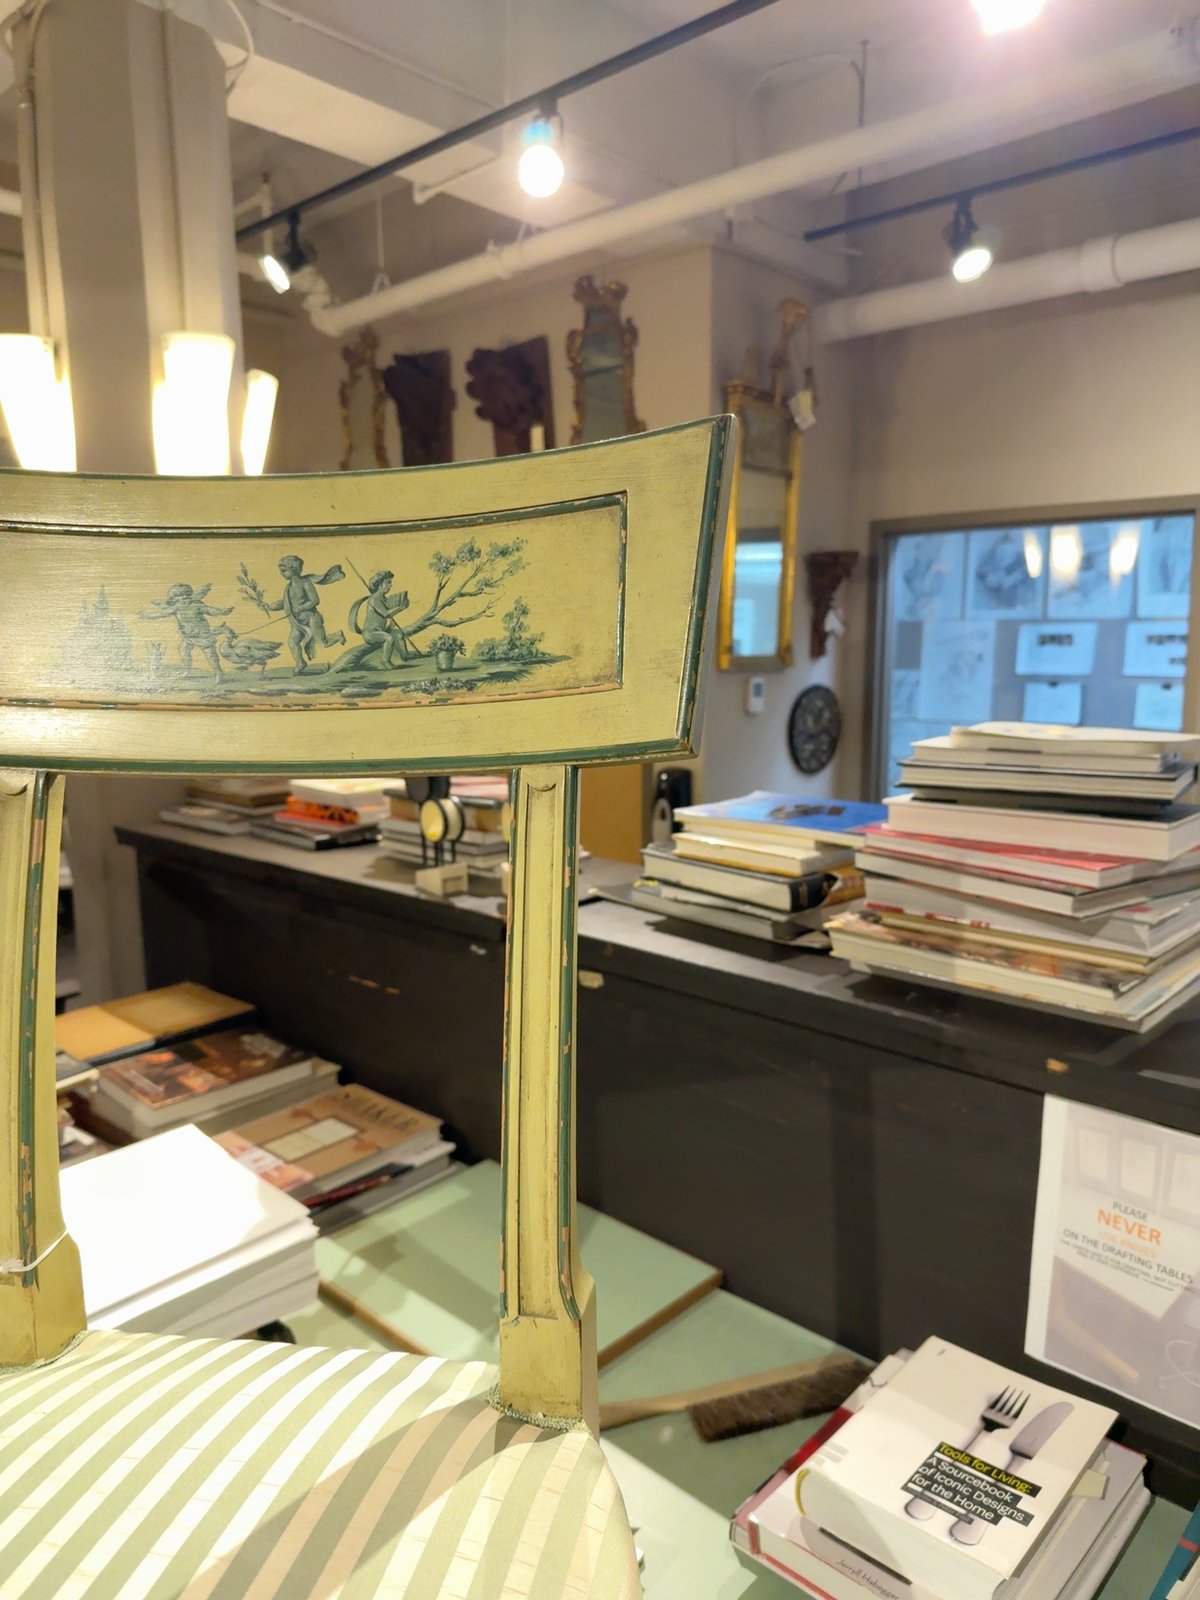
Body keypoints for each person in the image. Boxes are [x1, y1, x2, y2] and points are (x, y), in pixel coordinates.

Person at [266, 555, 346, 671]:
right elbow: (285, 602)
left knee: (323, 643)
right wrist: (269, 607)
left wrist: (301, 607)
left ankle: (337, 635)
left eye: (284, 571)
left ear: (294, 569)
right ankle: (300, 663)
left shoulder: (305, 583)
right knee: (292, 642)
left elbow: (315, 600)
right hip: (298, 623)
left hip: (312, 619)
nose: (281, 574)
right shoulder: (288, 588)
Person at [139, 583, 232, 681]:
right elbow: (162, 613)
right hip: (188, 636)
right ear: (174, 599)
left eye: (186, 596)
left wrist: (222, 612)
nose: (184, 599)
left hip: (202, 634)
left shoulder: (196, 605)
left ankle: (218, 672)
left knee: (210, 654)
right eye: (180, 597)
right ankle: (187, 670)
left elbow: (210, 610)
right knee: (184, 650)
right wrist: (147, 615)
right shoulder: (177, 607)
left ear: (191, 596)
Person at [344, 570, 411, 669]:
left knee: (398, 634)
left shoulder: (384, 599)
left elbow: (390, 611)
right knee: (389, 638)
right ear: (380, 584)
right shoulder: (374, 599)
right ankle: (385, 661)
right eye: (388, 582)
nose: (391, 585)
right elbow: (385, 614)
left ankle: (405, 655)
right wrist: (400, 608)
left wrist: (400, 604)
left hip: (381, 630)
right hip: (370, 634)